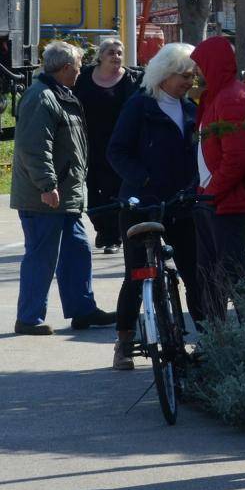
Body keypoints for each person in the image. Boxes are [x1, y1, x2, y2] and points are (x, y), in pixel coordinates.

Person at [105, 43, 199, 369]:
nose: (190, 81)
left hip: (180, 204)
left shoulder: (191, 109)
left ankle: (206, 339)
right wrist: (143, 180)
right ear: (164, 74)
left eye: (192, 75)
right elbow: (116, 151)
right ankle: (124, 343)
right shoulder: (139, 107)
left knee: (192, 272)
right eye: (184, 75)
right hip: (140, 205)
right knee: (137, 274)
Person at [12, 41, 114, 334]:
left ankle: (83, 310)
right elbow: (34, 148)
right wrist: (47, 185)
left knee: (78, 250)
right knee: (42, 257)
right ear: (67, 68)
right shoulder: (41, 98)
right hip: (44, 198)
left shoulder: (60, 95)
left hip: (66, 197)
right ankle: (28, 318)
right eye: (80, 67)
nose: (81, 72)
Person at [191, 36, 245, 325]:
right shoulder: (220, 96)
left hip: (226, 202)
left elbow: (239, 156)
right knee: (213, 273)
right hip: (214, 200)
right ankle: (218, 336)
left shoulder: (231, 98)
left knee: (230, 275)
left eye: (199, 65)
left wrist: (212, 191)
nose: (195, 72)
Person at [74, 35, 141, 250]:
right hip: (90, 143)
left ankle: (114, 236)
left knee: (115, 190)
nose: (116, 56)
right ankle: (101, 230)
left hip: (121, 146)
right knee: (93, 190)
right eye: (111, 52)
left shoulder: (132, 79)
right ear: (100, 56)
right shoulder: (83, 77)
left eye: (119, 53)